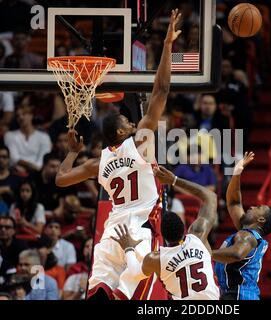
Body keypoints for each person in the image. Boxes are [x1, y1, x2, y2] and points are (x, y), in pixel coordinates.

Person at [55, 9, 182, 300]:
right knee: (133, 294)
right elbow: (161, 90)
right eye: (129, 123)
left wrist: (73, 153)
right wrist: (166, 47)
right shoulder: (139, 144)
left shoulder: (97, 162)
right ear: (123, 133)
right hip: (137, 234)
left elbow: (61, 179)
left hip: (110, 234)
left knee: (99, 293)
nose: (135, 123)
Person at [111, 166, 219, 300]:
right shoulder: (198, 236)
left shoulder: (156, 259)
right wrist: (174, 180)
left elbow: (134, 272)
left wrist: (128, 248)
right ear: (184, 227)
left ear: (163, 236)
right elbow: (210, 197)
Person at [213, 152, 271, 300]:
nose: (252, 206)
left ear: (261, 219)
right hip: (242, 294)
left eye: (258, 207)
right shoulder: (248, 233)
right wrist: (237, 172)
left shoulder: (247, 237)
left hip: (239, 295)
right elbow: (233, 202)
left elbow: (236, 253)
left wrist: (207, 252)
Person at [4, 105, 52, 174]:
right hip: (16, 172)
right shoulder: (9, 135)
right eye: (18, 116)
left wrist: (35, 168)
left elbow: (44, 157)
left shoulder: (44, 136)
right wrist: (32, 167)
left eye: (24, 114)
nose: (21, 117)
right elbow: (13, 158)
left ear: (31, 115)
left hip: (38, 172)